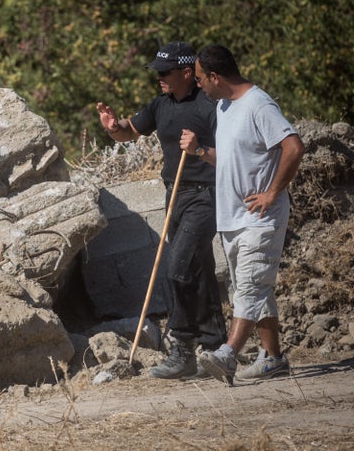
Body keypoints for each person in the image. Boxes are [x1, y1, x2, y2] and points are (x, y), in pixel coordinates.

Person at [97, 41, 228, 380]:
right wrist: (113, 127)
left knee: (177, 268)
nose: (158, 77)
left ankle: (182, 347)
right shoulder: (160, 104)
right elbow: (130, 131)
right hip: (175, 195)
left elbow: (232, 150)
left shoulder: (210, 105)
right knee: (198, 268)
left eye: (164, 72)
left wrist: (200, 150)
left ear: (187, 72)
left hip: (206, 194)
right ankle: (215, 346)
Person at [182, 44, 306, 385]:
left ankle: (227, 354)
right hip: (233, 218)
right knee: (252, 288)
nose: (198, 85)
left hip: (260, 218)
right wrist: (200, 151)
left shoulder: (258, 104)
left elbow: (294, 146)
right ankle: (274, 359)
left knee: (250, 287)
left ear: (216, 77)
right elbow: (235, 160)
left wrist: (272, 193)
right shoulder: (224, 106)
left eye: (200, 78)